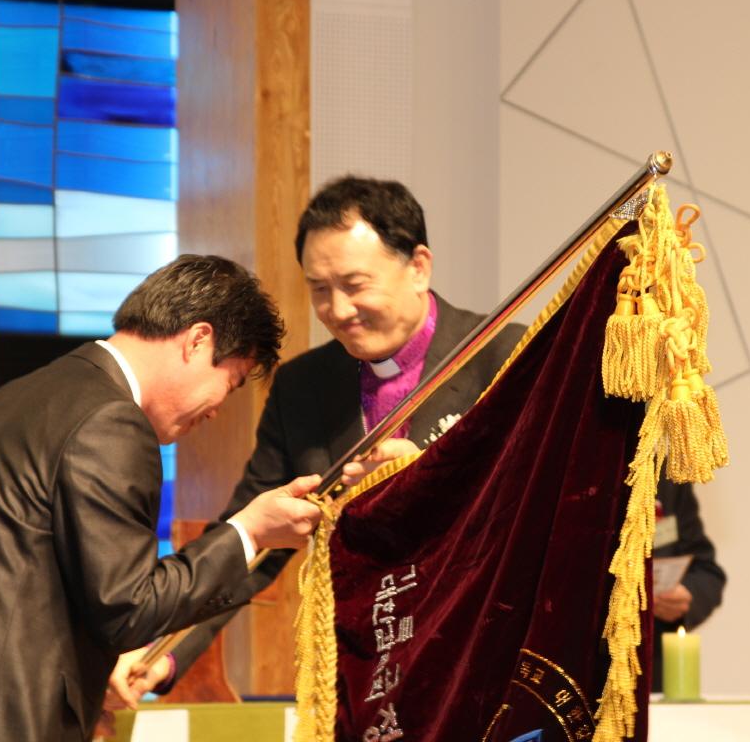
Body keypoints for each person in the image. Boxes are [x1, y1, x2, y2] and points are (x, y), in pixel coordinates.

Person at [0, 255, 326, 741]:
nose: (217, 410)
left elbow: (32, 585)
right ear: (198, 340)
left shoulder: (19, 398)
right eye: (232, 383)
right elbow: (130, 608)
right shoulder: (110, 421)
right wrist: (249, 532)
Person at [107, 176, 525, 702]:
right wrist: (160, 653)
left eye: (355, 284)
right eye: (319, 289)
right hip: (367, 669)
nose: (338, 310)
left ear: (419, 267)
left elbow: (539, 504)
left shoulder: (505, 354)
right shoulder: (303, 387)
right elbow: (254, 543)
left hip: (483, 655)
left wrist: (429, 476)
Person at [651, 477, 727, 691]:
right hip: (575, 675)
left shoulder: (666, 478)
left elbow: (706, 572)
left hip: (649, 679)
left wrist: (686, 596)